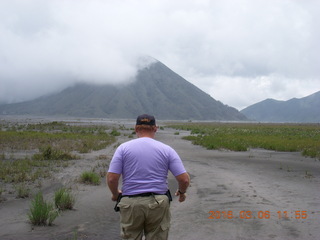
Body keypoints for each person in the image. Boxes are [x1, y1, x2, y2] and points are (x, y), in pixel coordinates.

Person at [107, 114, 190, 240]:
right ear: (155, 128)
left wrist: (115, 194)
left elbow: (112, 178)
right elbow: (184, 179)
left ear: (136, 128)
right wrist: (182, 192)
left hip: (130, 202)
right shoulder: (167, 150)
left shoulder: (123, 149)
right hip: (158, 202)